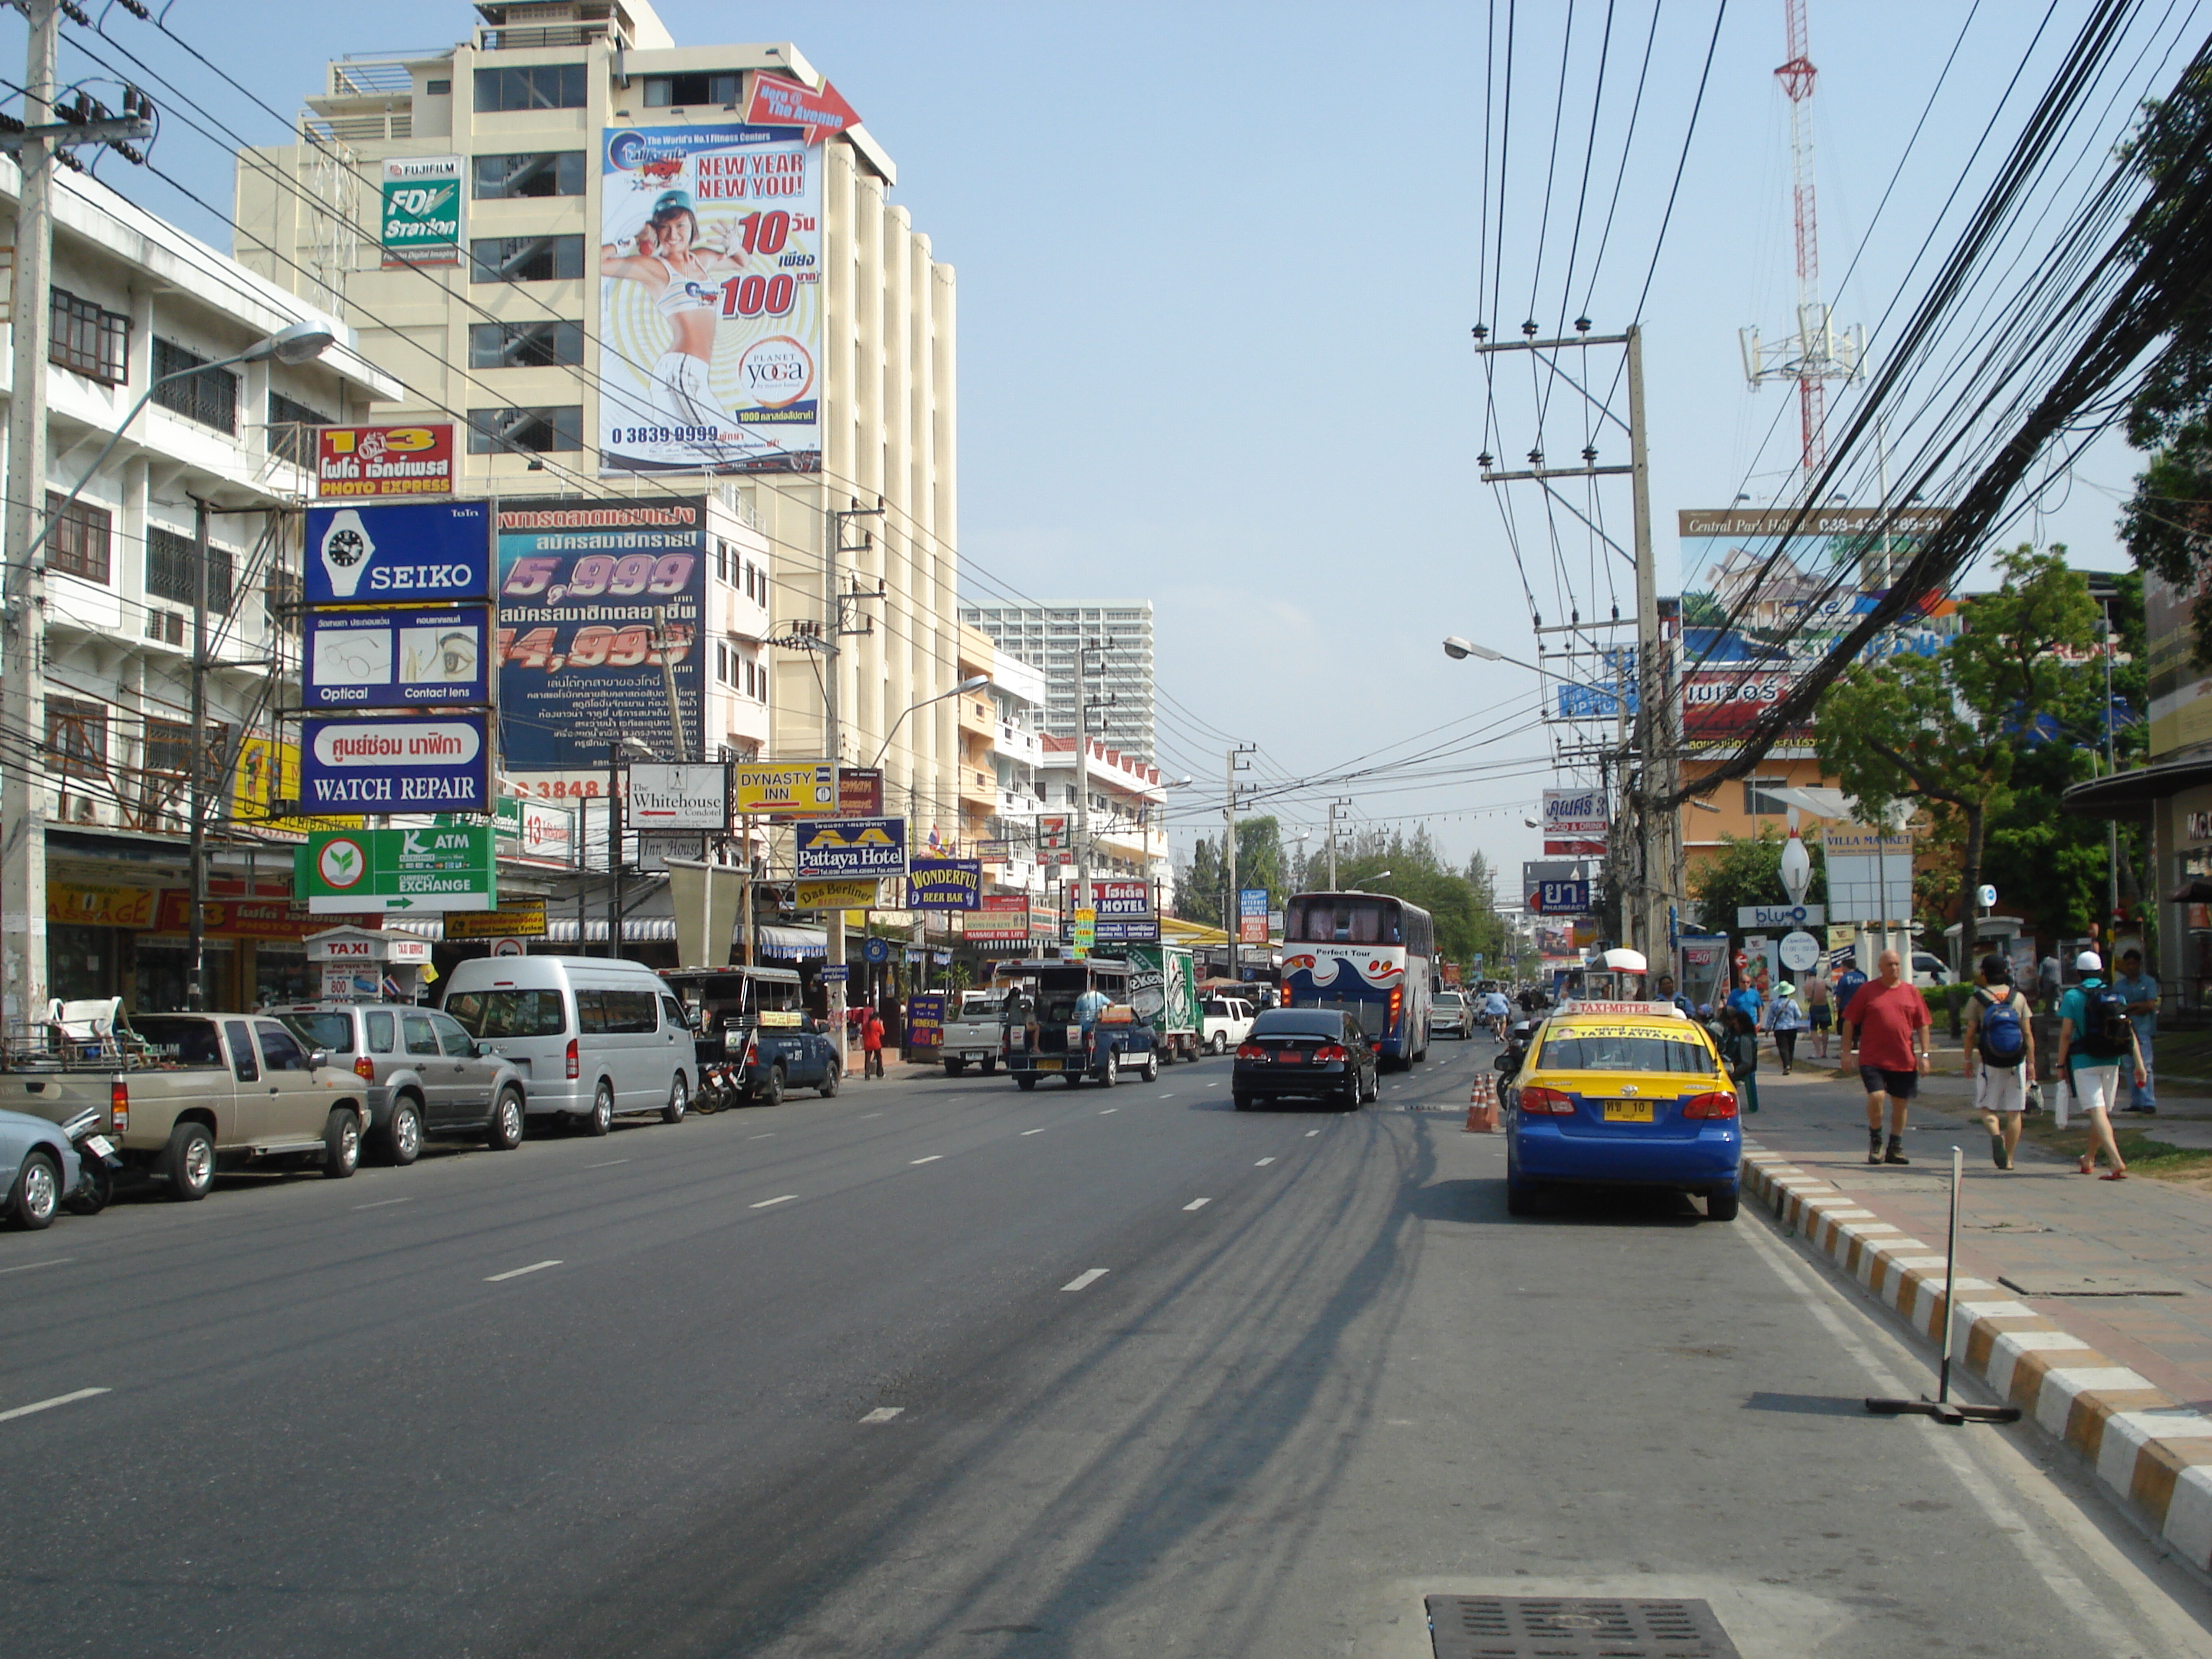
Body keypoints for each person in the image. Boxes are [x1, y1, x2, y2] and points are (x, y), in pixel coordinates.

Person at [600, 190, 748, 448]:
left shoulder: (701, 260)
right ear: (656, 231)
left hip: (694, 374)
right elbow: (595, 263)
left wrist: (735, 244)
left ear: (692, 226)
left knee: (684, 456)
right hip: (680, 373)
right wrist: (634, 240)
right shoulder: (655, 268)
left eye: (680, 225)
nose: (673, 235)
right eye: (664, 228)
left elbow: (739, 263)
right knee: (726, 447)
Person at [2055, 949, 2146, 1179]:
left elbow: (2066, 1035)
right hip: (2112, 1059)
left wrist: (2060, 1065)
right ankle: (2090, 1158)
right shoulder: (2116, 995)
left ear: (2078, 974)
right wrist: (2139, 1064)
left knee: (2097, 1113)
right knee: (2102, 1112)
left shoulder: (2073, 997)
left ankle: (2115, 1160)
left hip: (2084, 1061)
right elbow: (2128, 1030)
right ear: (2102, 971)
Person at [1841, 948, 1930, 1166]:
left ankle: (1896, 1147)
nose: (1895, 968)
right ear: (1880, 967)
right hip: (1873, 1058)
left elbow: (1923, 1025)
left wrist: (1925, 1054)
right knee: (1877, 1097)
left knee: (1900, 1104)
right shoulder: (1867, 991)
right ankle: (1876, 1141)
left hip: (1903, 1058)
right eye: (1890, 965)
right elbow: (1849, 1021)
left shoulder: (1911, 992)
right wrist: (1846, 1053)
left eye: (1897, 964)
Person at [1961, 952, 2035, 1170]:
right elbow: (2028, 1033)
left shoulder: (1978, 999)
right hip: (2016, 1060)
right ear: (2005, 972)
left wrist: (1967, 1060)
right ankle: (2009, 1159)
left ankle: (1996, 1135)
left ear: (1983, 974)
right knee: (2014, 1112)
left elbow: (1970, 1033)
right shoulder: (2018, 998)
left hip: (1989, 1061)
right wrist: (2031, 1063)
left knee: (1987, 1108)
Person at [2115, 947, 2159, 1115]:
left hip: (2143, 1029)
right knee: (2128, 1065)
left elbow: (2149, 1005)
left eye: (2134, 963)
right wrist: (2133, 1008)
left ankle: (2149, 1101)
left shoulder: (2148, 982)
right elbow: (2118, 1008)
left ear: (2139, 964)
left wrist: (2131, 1007)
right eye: (2128, 964)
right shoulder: (2119, 985)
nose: (2131, 967)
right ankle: (2136, 1101)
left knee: (2145, 1065)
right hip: (2125, 1029)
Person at [1722, 1005, 1761, 1113]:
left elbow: (1746, 1063)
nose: (1735, 1027)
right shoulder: (1751, 1037)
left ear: (1742, 1025)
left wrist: (1733, 1076)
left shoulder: (1745, 1039)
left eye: (1736, 1024)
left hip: (1743, 1070)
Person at [1766, 980, 1805, 1074]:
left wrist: (1768, 1029)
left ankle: (1786, 1065)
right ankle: (1790, 1065)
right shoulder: (1793, 1003)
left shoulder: (1774, 1004)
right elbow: (1799, 1015)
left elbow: (1770, 1018)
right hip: (1792, 1028)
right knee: (1791, 1047)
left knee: (1783, 1048)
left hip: (1780, 1029)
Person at [1805, 971, 1833, 1061]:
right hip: (1824, 1006)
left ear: (1808, 975)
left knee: (1813, 1030)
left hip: (1814, 1008)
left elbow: (1808, 999)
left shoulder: (1807, 985)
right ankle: (1824, 1052)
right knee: (1825, 1030)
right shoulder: (1823, 982)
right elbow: (1830, 989)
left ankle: (1818, 1052)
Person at [861, 1007, 885, 1079]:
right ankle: (880, 1073)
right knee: (879, 1058)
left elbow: (862, 1033)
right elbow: (882, 1033)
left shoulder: (865, 1025)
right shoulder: (877, 1024)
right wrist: (881, 1024)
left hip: (867, 1044)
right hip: (876, 1044)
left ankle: (867, 1075)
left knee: (867, 1060)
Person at [2037, 949, 2063, 1015]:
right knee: (2057, 995)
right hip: (2057, 981)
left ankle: (2048, 1010)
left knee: (2048, 996)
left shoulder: (2044, 962)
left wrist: (2038, 983)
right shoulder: (2057, 961)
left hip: (2048, 982)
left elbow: (2040, 974)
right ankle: (2056, 1008)